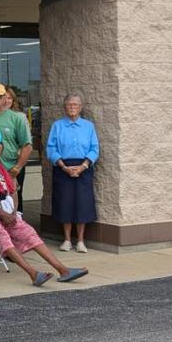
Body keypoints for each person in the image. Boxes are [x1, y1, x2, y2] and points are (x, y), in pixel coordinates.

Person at [0, 142, 88, 286]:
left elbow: (12, 191)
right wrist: (3, 215)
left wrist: (12, 213)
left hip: (5, 211)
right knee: (0, 233)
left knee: (29, 232)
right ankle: (33, 274)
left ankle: (64, 270)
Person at [47, 93, 100, 253]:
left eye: (75, 104)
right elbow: (51, 148)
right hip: (63, 167)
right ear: (64, 107)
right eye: (69, 104)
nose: (72, 107)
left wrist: (83, 166)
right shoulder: (57, 125)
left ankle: (81, 241)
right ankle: (67, 240)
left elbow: (94, 148)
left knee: (82, 204)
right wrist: (64, 167)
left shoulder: (88, 126)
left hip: (83, 167)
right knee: (65, 203)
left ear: (81, 107)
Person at [0, 83, 33, 213]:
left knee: (12, 207)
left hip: (10, 170)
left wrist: (17, 168)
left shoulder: (16, 118)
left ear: (4, 99)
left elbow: (27, 146)